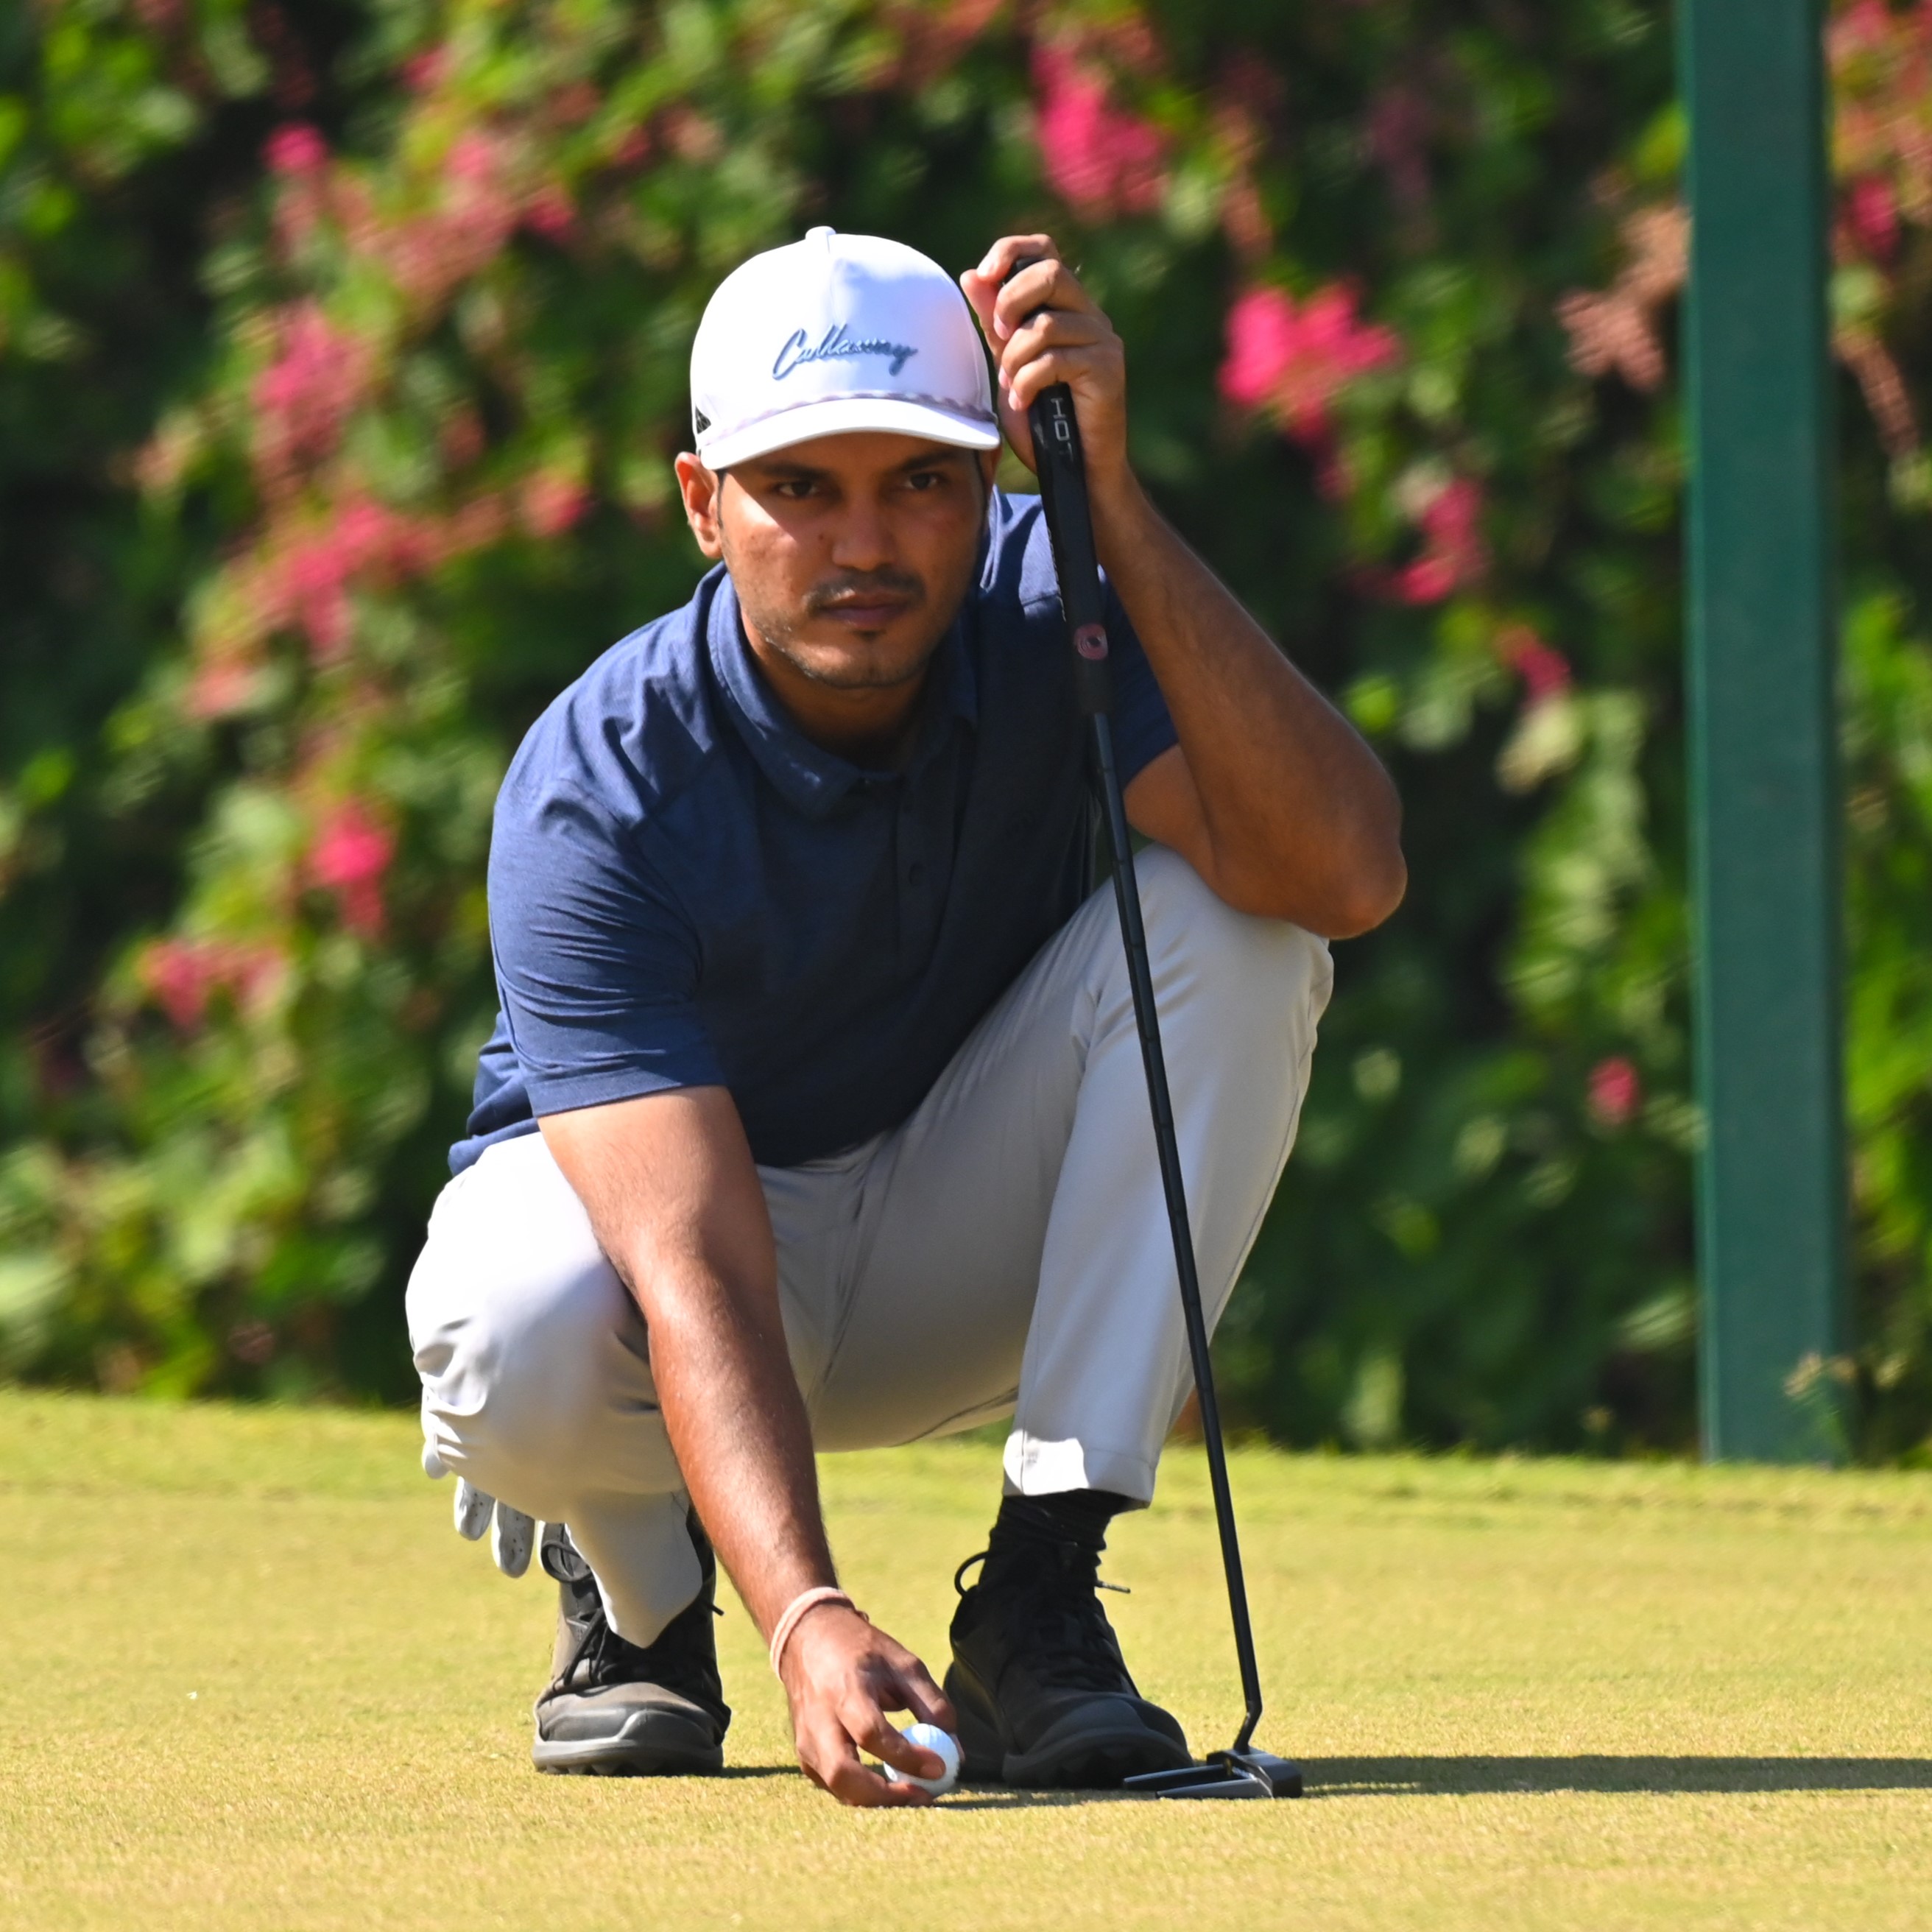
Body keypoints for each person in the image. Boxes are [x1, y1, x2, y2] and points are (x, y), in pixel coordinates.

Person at [406, 225, 1405, 1808]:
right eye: (800, 487)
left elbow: (1342, 874)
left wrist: (1110, 507)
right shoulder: (599, 781)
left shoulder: (1051, 607)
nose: (863, 543)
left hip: (946, 1237)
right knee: (513, 1320)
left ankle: (1039, 1593)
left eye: (920, 481)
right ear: (703, 504)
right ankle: (645, 1600)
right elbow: (692, 1261)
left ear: (993, 481)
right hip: (664, 1298)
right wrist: (804, 1609)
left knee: (1245, 927)